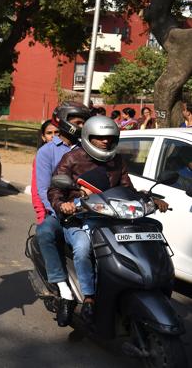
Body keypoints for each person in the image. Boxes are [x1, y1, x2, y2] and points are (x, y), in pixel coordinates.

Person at [47, 116, 168, 324]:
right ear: (88, 137)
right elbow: (55, 189)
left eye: (110, 138)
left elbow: (127, 190)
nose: (105, 141)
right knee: (83, 248)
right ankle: (89, 297)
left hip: (110, 218)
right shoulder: (72, 158)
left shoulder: (116, 160)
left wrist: (150, 199)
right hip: (78, 218)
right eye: (99, 138)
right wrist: (62, 205)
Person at [34, 102, 90, 327]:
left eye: (84, 122)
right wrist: (61, 207)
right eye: (78, 122)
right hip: (59, 211)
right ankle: (64, 288)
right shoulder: (47, 151)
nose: (82, 126)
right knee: (45, 231)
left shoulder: (88, 148)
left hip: (89, 211)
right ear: (66, 122)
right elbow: (42, 188)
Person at [31, 120, 59, 224]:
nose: (53, 136)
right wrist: (41, 216)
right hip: (49, 213)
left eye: (57, 132)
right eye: (49, 133)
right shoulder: (41, 156)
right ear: (43, 137)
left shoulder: (71, 153)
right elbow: (37, 190)